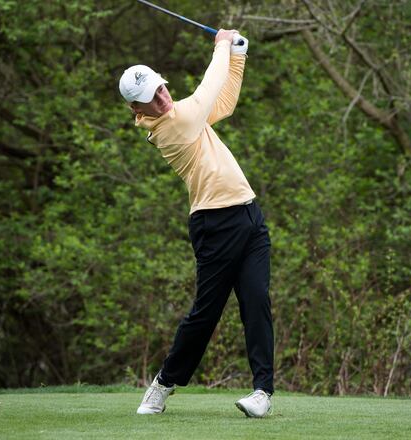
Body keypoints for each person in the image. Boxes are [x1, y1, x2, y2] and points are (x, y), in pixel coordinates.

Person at [118, 29, 274, 418]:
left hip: (249, 215)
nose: (161, 97)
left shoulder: (184, 114)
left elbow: (223, 102)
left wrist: (237, 56)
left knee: (257, 301)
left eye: (160, 89)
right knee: (206, 314)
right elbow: (208, 89)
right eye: (150, 99)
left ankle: (262, 392)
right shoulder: (171, 126)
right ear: (139, 111)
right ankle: (164, 384)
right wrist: (222, 43)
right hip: (214, 225)